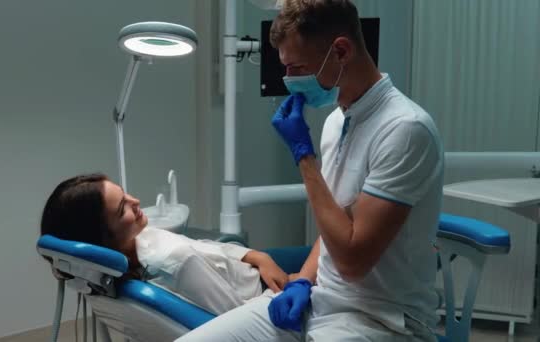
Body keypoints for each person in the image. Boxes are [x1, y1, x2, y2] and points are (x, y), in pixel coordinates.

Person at [176, 0, 444, 341]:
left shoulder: (405, 130)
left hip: (381, 320)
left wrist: (304, 157)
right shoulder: (336, 122)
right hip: (321, 303)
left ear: (341, 51)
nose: (289, 80)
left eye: (297, 67)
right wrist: (303, 279)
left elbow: (352, 260)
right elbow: (339, 223)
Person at [40, 173, 288, 316]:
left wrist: (258, 257)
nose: (135, 201)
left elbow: (205, 247)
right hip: (268, 297)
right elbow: (238, 322)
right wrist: (289, 288)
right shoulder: (177, 263)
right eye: (121, 209)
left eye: (125, 194)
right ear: (102, 240)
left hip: (258, 269)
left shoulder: (131, 252)